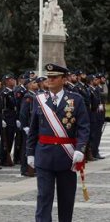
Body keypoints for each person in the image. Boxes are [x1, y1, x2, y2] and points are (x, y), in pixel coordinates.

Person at [27, 63, 90, 222]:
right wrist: (30, 153)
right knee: (43, 197)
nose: (50, 80)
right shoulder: (39, 99)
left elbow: (84, 127)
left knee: (66, 200)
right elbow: (33, 129)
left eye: (54, 77)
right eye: (49, 77)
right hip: (44, 156)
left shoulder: (76, 100)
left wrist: (80, 149)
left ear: (64, 79)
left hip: (66, 157)